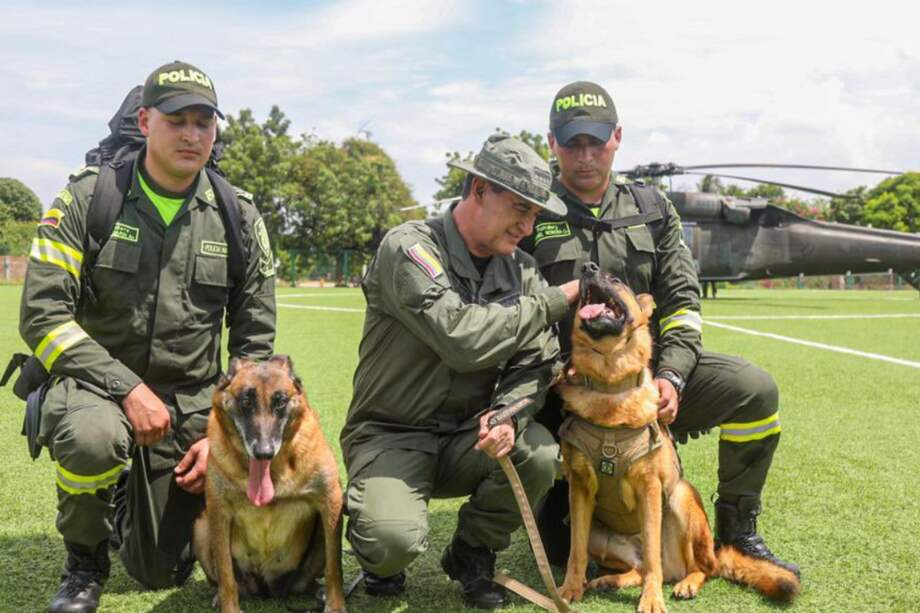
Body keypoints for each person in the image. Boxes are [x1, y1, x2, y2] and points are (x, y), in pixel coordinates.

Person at [19, 60, 276, 613]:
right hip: (98, 390)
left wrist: (223, 437)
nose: (191, 134)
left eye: (204, 122)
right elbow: (42, 316)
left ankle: (127, 499)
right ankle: (84, 562)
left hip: (186, 405)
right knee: (93, 439)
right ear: (145, 120)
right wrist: (127, 388)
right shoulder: (89, 198)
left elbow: (255, 347)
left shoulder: (238, 214)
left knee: (160, 567)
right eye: (176, 119)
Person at [522, 81, 798, 576]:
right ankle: (529, 515)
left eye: (596, 141)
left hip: (643, 387)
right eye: (571, 143)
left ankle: (739, 531)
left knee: (753, 389)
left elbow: (682, 305)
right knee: (559, 552)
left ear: (617, 138)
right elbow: (512, 305)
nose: (585, 156)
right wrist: (551, 368)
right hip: (562, 392)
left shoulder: (652, 209)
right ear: (551, 143)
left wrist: (670, 376)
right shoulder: (529, 209)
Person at [340, 134, 580, 609]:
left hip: (468, 436)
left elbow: (536, 363)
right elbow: (461, 339)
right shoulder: (409, 247)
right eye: (519, 208)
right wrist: (553, 301)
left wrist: (509, 414)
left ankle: (472, 553)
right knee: (391, 545)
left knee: (539, 452)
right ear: (477, 190)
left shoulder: (522, 270)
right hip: (392, 432)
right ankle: (380, 555)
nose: (527, 225)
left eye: (535, 214)